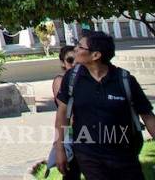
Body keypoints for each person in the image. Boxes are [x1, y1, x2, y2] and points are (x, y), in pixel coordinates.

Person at [55, 30, 155, 180]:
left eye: (80, 47)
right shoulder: (72, 78)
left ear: (96, 55)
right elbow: (62, 115)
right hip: (89, 155)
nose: (75, 49)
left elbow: (147, 116)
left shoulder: (124, 80)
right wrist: (60, 149)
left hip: (124, 155)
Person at [46, 45, 80, 178]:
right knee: (71, 173)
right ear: (63, 63)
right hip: (70, 134)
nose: (74, 64)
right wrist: (59, 146)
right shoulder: (60, 81)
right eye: (70, 60)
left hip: (91, 134)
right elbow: (64, 112)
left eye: (76, 60)